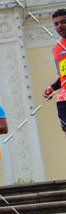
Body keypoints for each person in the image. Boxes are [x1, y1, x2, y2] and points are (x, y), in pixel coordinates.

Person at [42, 8, 66, 136]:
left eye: (63, 22)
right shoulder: (57, 49)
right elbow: (63, 76)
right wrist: (52, 87)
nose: (60, 26)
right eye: (56, 24)